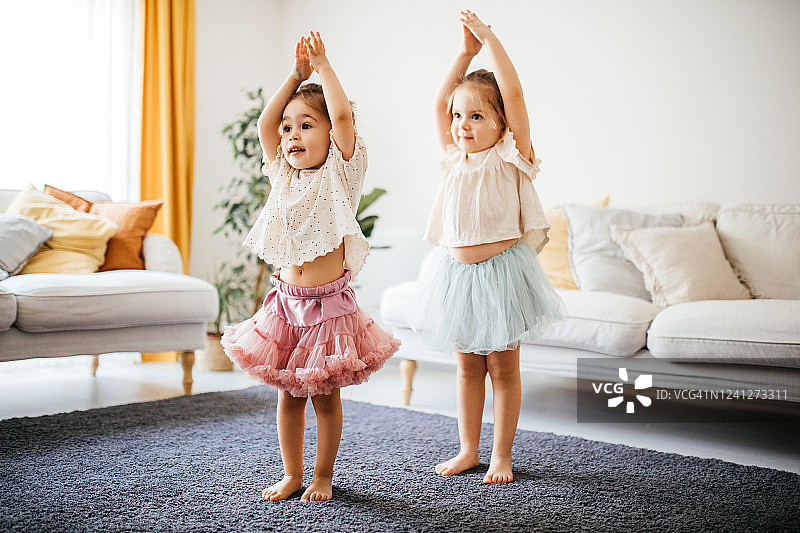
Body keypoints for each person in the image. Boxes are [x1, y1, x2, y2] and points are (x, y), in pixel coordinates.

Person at [221, 31, 400, 502]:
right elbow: (265, 124)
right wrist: (294, 76)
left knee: (324, 397)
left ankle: (323, 475)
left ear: (331, 135)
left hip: (327, 310)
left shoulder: (341, 173)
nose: (292, 135)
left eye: (306, 126)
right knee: (287, 396)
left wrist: (322, 68)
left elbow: (342, 116)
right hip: (283, 305)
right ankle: (292, 473)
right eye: (289, 128)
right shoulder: (283, 172)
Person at [411, 11, 563, 484]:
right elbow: (439, 103)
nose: (462, 125)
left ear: (501, 125)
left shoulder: (511, 156)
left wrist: (489, 39)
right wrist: (463, 55)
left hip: (501, 273)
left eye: (477, 116)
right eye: (460, 117)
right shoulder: (453, 159)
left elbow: (514, 94)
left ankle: (501, 454)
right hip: (455, 275)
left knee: (503, 368)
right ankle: (468, 450)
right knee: (466, 367)